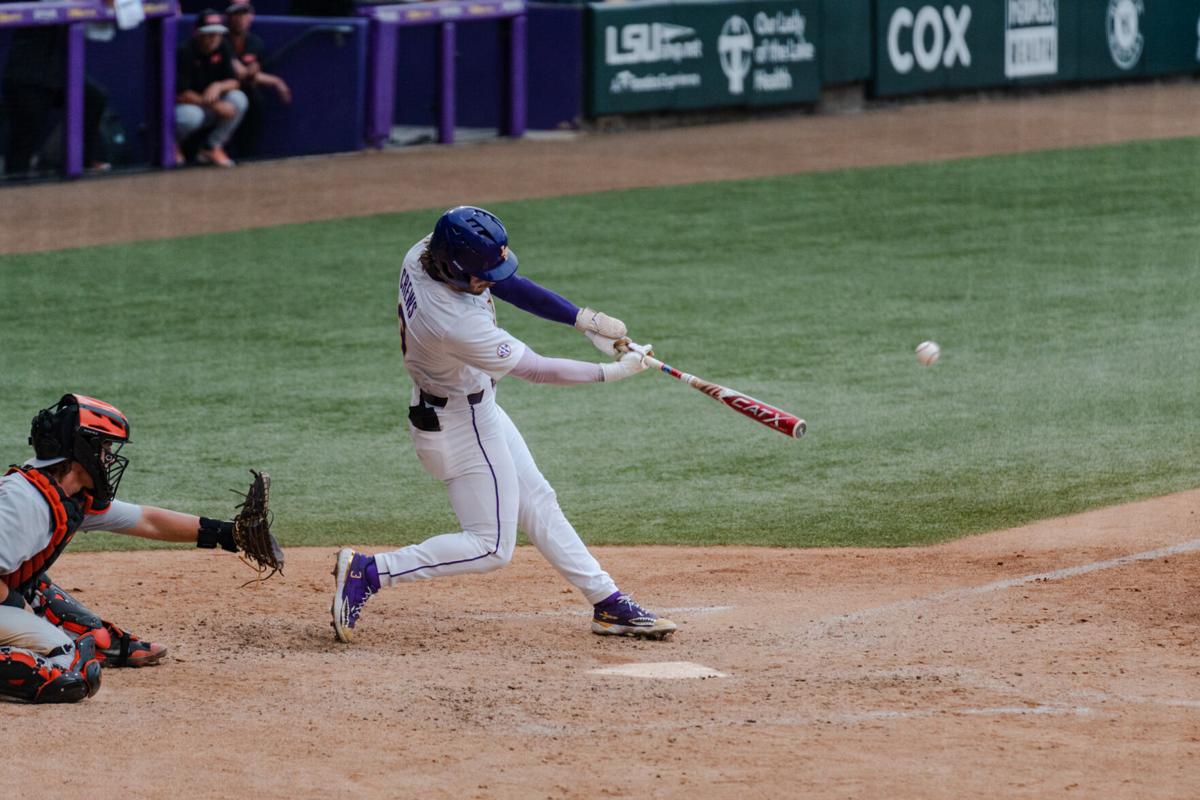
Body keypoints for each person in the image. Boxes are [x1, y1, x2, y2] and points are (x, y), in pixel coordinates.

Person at [330, 206, 676, 643]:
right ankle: (371, 572)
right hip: (460, 424)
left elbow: (502, 280)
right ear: (452, 268)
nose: (487, 282)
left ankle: (608, 603)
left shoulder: (425, 250)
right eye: (478, 275)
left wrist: (582, 320)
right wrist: (613, 372)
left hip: (467, 410)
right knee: (491, 546)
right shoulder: (452, 322)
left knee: (538, 501)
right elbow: (537, 370)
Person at [1, 393, 272, 703]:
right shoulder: (25, 504)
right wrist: (17, 605)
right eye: (104, 449)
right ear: (82, 451)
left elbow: (147, 520)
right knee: (70, 670)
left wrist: (230, 534)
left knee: (95, 637)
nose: (109, 459)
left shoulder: (66, 496)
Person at [1, 19, 111, 176]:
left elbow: (105, 28)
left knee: (93, 99)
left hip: (61, 70)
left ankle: (83, 164)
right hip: (27, 73)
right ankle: (15, 188)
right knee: (22, 148)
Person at [174, 9, 247, 167]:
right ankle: (171, 145)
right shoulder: (185, 52)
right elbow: (182, 94)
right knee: (192, 116)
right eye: (209, 34)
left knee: (238, 99)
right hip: (186, 109)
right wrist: (214, 105)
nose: (214, 38)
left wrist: (218, 86)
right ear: (198, 34)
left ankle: (211, 147)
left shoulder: (223, 46)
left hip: (209, 107)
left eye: (218, 33)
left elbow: (234, 82)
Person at [224, 2, 291, 158]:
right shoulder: (219, 39)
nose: (240, 19)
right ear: (228, 16)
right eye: (236, 14)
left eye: (244, 14)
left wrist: (275, 81)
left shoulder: (255, 42)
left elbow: (251, 75)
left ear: (251, 16)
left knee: (254, 97)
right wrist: (274, 81)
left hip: (242, 90)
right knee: (238, 98)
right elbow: (240, 72)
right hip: (217, 90)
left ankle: (246, 155)